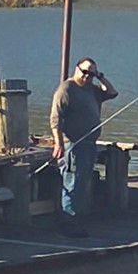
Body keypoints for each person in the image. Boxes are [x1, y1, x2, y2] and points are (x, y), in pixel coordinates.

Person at [49, 58, 116, 232]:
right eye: (84, 72)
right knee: (72, 183)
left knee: (82, 185)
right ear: (76, 69)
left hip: (89, 145)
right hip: (73, 145)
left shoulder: (92, 90)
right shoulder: (67, 89)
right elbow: (55, 119)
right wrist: (59, 143)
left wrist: (100, 77)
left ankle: (74, 221)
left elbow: (112, 92)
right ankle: (67, 225)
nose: (87, 76)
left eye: (91, 73)